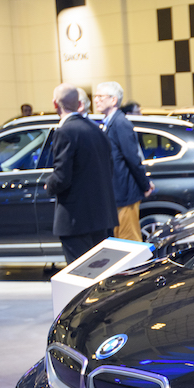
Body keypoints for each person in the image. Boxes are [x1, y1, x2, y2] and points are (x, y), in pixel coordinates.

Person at [44, 83, 117, 265]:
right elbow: (109, 167)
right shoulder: (97, 129)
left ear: (55, 104)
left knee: (79, 273)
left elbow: (62, 177)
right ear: (78, 104)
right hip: (101, 216)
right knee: (100, 271)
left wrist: (49, 185)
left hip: (75, 219)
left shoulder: (65, 132)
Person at [94, 81, 153, 242]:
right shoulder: (109, 123)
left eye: (100, 96)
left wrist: (145, 185)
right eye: (96, 96)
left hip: (125, 193)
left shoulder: (120, 123)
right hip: (117, 194)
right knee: (122, 239)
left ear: (113, 100)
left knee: (130, 240)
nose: (96, 100)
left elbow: (133, 158)